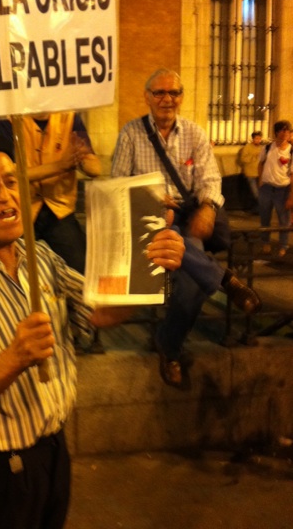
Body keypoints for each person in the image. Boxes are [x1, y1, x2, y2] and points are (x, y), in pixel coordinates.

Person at [0, 133, 185, 529]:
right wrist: (14, 358)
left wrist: (150, 265)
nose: (6, 196)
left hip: (52, 455)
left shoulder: (40, 257)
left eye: (11, 181)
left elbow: (99, 314)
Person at [111, 68, 261, 387]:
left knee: (193, 287)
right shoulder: (131, 134)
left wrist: (208, 207)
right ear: (147, 97)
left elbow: (210, 179)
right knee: (184, 258)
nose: (167, 99)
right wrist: (153, 200)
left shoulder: (194, 133)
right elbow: (118, 184)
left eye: (174, 92)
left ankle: (168, 344)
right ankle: (224, 279)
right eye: (159, 92)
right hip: (151, 218)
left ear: (182, 97)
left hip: (188, 214)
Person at [0, 112, 101, 274]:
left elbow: (94, 168)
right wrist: (61, 166)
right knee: (19, 271)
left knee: (80, 269)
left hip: (60, 209)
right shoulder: (9, 119)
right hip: (22, 209)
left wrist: (83, 159)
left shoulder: (70, 117)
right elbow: (10, 173)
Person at [258, 120, 293, 257]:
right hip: (266, 188)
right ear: (277, 132)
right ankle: (265, 242)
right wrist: (260, 180)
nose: (285, 133)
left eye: (288, 131)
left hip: (282, 189)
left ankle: (283, 246)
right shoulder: (267, 148)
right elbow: (260, 163)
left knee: (283, 220)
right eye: (283, 130)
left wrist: (291, 196)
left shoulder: (291, 151)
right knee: (264, 217)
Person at [239, 131, 262, 212]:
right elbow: (243, 159)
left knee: (259, 192)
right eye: (256, 138)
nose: (258, 140)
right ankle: (261, 207)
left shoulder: (261, 148)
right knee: (255, 192)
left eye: (259, 138)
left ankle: (257, 209)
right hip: (250, 173)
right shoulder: (247, 147)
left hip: (259, 173)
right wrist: (254, 157)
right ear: (253, 139)